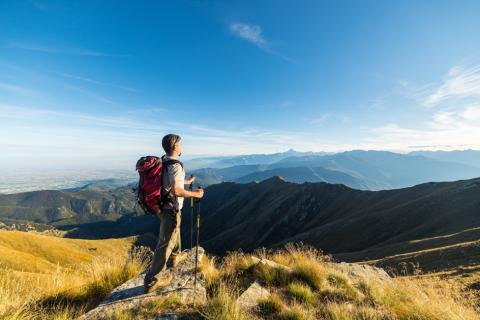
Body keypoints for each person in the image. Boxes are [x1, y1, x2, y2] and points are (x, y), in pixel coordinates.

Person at [144, 133, 204, 293]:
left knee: (173, 232)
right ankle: (152, 280)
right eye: (180, 144)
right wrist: (196, 194)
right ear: (175, 146)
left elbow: (168, 182)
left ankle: (175, 256)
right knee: (165, 243)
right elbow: (176, 191)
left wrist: (186, 182)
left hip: (161, 206)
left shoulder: (163, 161)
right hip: (171, 208)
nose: (181, 147)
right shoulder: (176, 165)